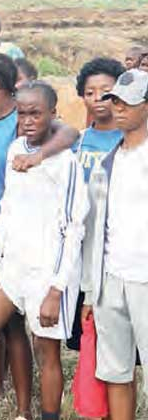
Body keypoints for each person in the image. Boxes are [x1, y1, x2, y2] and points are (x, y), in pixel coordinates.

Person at [0, 81, 88, 420]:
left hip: (47, 274)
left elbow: (73, 229)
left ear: (53, 115)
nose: (28, 121)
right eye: (23, 114)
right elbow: (7, 209)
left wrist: (57, 290)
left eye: (36, 114)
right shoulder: (14, 151)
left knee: (47, 353)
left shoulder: (66, 163)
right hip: (12, 267)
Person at [81, 68, 148, 420]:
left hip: (145, 280)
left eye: (128, 103)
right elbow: (95, 231)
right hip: (111, 282)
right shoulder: (107, 163)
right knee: (115, 370)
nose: (119, 108)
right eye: (115, 101)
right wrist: (92, 292)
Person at [73, 57, 125, 183]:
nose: (97, 98)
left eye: (106, 92)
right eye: (90, 93)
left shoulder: (133, 140)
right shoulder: (77, 141)